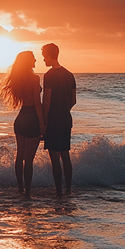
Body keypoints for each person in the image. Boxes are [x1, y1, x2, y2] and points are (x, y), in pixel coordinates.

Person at [0, 51, 46, 199]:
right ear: (27, 61)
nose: (35, 59)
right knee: (29, 159)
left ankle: (20, 188)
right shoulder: (34, 78)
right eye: (33, 58)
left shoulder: (18, 79)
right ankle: (28, 193)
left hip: (20, 119)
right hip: (31, 119)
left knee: (20, 156)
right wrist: (42, 124)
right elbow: (38, 104)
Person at [41, 43, 76, 198]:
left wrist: (44, 121)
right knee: (65, 156)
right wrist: (64, 109)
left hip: (54, 121)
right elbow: (73, 100)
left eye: (44, 56)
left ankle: (59, 193)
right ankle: (68, 190)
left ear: (49, 55)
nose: (43, 60)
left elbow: (46, 101)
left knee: (55, 159)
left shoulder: (49, 76)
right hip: (66, 119)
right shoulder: (70, 75)